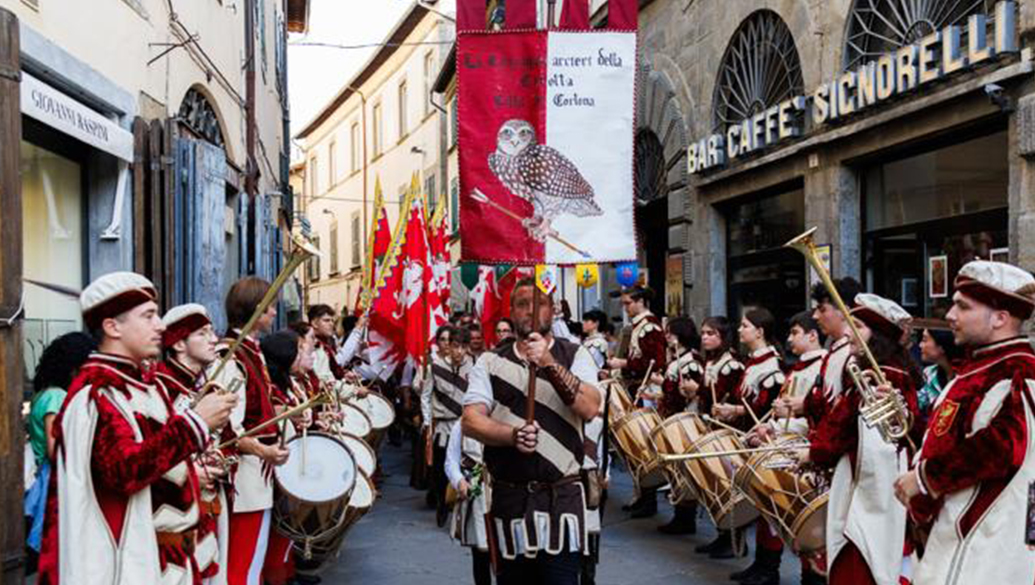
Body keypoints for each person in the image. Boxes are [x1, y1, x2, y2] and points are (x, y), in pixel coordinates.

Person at [37, 272, 237, 585]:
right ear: (112, 326)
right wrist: (195, 424)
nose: (160, 326)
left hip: (170, 560)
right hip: (127, 565)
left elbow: (156, 464)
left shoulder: (143, 386)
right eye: (148, 316)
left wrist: (192, 465)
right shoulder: (97, 393)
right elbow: (123, 471)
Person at [895, 261, 1035, 585]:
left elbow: (1002, 447)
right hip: (959, 529)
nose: (950, 316)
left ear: (1000, 318)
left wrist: (924, 478)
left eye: (963, 306)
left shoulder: (1018, 371)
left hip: (988, 540)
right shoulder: (984, 365)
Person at [462, 277, 602, 585]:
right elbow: (471, 420)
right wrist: (511, 435)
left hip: (561, 499)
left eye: (538, 304)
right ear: (511, 311)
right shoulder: (490, 361)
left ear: (552, 310)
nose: (530, 311)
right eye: (522, 304)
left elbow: (590, 407)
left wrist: (550, 363)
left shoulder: (574, 355)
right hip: (510, 499)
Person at [803, 293, 920, 585]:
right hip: (864, 476)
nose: (847, 333)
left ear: (877, 335)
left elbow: (844, 428)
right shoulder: (882, 372)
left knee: (866, 554)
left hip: (871, 485)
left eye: (857, 326)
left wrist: (814, 453)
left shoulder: (881, 378)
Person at [208, 277, 291, 585]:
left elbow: (260, 405)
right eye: (270, 307)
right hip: (245, 479)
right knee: (242, 568)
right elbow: (228, 427)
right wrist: (264, 450)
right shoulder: (231, 356)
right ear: (258, 309)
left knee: (250, 564)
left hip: (257, 475)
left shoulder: (250, 352)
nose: (274, 313)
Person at [153, 304, 229, 584]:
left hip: (205, 506)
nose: (213, 339)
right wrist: (191, 471)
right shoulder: (160, 388)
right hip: (173, 517)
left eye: (212, 331)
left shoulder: (198, 386)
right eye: (202, 333)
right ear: (178, 344)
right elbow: (153, 455)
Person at [755, 311, 828, 585]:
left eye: (795, 332)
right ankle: (766, 565)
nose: (789, 339)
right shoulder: (799, 367)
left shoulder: (821, 367)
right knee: (774, 509)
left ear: (812, 335)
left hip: (808, 451)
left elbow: (817, 418)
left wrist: (780, 424)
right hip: (786, 446)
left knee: (806, 519)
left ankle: (810, 577)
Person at [716, 308, 785, 580]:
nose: (741, 329)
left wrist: (736, 412)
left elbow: (767, 407)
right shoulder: (754, 362)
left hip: (764, 442)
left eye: (745, 325)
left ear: (760, 331)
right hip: (748, 440)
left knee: (768, 509)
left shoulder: (772, 366)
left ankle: (769, 569)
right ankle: (760, 562)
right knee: (755, 502)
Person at [24, 332, 95, 569]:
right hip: (50, 477)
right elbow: (56, 450)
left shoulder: (43, 394)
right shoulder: (57, 396)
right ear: (74, 368)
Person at [606, 285, 666, 518]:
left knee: (642, 445)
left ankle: (648, 498)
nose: (626, 307)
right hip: (636, 390)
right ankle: (642, 494)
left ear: (641, 301)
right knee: (635, 447)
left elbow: (656, 362)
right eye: (624, 303)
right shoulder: (638, 326)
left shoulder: (650, 327)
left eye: (628, 303)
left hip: (647, 392)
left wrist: (622, 365)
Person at [694, 315, 744, 557]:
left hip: (727, 431)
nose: (705, 337)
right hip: (711, 427)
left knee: (728, 485)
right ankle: (722, 534)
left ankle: (735, 540)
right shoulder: (711, 362)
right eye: (703, 333)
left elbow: (734, 398)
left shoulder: (731, 364)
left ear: (723, 336)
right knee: (715, 483)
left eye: (711, 333)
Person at [651, 316, 704, 536]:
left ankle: (685, 517)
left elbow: (687, 394)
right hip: (674, 419)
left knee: (684, 471)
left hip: (686, 420)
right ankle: (681, 516)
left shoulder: (689, 361)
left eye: (671, 332)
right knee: (677, 472)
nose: (667, 336)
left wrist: (663, 385)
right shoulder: (678, 359)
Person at [422, 325, 475, 527]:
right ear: (448, 347)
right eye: (455, 346)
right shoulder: (434, 368)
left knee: (466, 466)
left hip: (465, 425)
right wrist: (428, 423)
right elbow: (426, 396)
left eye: (463, 347)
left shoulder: (474, 367)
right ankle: (442, 503)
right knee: (440, 468)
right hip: (443, 427)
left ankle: (461, 503)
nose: (459, 351)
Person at [443, 421, 492, 585]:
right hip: (476, 494)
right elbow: (451, 461)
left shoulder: (508, 418)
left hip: (506, 493)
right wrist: (459, 481)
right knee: (480, 555)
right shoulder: (462, 425)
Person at [916, 327, 960, 426]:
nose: (920, 345)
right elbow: (919, 403)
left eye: (924, 340)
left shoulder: (966, 377)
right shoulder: (929, 373)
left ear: (941, 347)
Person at [308, 304, 345, 382]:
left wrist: (345, 376)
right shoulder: (311, 345)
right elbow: (323, 380)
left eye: (332, 321)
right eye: (326, 320)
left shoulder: (327, 344)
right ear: (314, 323)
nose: (331, 324)